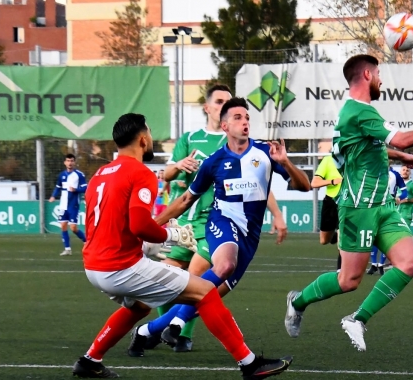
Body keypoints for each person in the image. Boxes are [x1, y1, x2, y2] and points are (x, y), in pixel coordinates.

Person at [71, 112, 293, 379]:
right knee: (205, 291)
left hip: (93, 266)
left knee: (139, 307)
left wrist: (143, 244)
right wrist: (171, 236)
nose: (152, 139)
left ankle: (90, 360)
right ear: (143, 139)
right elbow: (141, 225)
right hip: (120, 268)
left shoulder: (100, 174)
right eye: (150, 134)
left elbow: (105, 225)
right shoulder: (140, 173)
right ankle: (249, 364)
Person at [284, 54, 413, 351]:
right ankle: (298, 300)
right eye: (379, 73)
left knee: (410, 263)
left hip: (384, 205)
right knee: (348, 280)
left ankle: (358, 319)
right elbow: (403, 138)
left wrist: (400, 157)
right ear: (367, 75)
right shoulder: (358, 112)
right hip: (358, 208)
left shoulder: (357, 113)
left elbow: (366, 148)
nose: (381, 79)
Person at [128, 98, 311, 356]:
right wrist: (149, 225)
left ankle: (147, 331)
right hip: (221, 223)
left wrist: (287, 162)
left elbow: (304, 186)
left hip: (249, 237)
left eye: (247, 117)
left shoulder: (265, 153)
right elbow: (185, 199)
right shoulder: (213, 162)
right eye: (238, 117)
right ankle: (179, 325)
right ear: (224, 125)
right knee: (223, 266)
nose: (245, 122)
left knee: (208, 294)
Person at [367, 166, 407, 276]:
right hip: (374, 207)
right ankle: (374, 264)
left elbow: (405, 192)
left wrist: (399, 197)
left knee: (387, 237)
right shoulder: (372, 171)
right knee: (374, 236)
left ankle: (381, 264)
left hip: (389, 208)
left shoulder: (395, 174)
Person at [48, 153, 87, 256]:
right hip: (63, 205)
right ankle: (67, 249)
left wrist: (76, 190)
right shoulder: (62, 175)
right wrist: (53, 196)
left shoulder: (79, 175)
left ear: (74, 162)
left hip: (73, 205)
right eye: (68, 161)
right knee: (63, 226)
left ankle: (86, 241)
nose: (70, 163)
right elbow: (58, 187)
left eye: (72, 161)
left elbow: (85, 188)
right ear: (65, 162)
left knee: (73, 227)